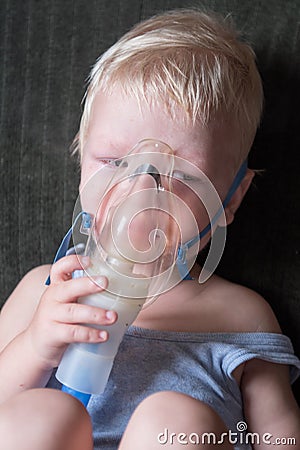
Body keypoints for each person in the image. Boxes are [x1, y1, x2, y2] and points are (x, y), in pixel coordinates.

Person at [0, 8, 299, 450]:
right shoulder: (41, 294)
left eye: (178, 175)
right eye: (114, 162)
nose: (138, 192)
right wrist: (36, 346)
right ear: (82, 159)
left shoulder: (241, 315)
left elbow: (277, 439)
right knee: (41, 415)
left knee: (175, 421)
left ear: (230, 198)